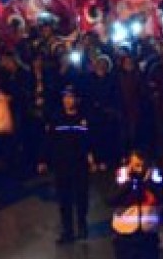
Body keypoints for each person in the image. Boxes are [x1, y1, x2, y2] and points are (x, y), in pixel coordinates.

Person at [39, 86, 95, 243]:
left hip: (80, 164)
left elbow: (90, 140)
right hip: (62, 164)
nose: (68, 100)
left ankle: (82, 225)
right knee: (64, 199)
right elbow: (48, 140)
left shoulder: (84, 118)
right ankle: (68, 230)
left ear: (77, 99)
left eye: (71, 97)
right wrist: (43, 159)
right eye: (65, 97)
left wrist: (92, 157)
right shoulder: (56, 118)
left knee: (81, 197)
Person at [110, 150, 163, 259]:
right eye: (136, 165)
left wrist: (148, 182)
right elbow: (111, 199)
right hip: (125, 237)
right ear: (129, 164)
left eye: (143, 165)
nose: (140, 169)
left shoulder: (154, 176)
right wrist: (129, 182)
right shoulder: (121, 176)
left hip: (149, 236)